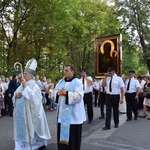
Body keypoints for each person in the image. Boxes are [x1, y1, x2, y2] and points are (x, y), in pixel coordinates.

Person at [12, 58, 51, 150]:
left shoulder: (35, 86)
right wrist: (16, 96)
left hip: (29, 114)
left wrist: (25, 86)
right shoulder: (20, 86)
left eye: (26, 74)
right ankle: (20, 146)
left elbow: (35, 100)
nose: (23, 75)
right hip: (20, 115)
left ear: (31, 75)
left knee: (32, 130)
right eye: (23, 73)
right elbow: (14, 97)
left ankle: (37, 145)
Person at [54, 64, 86, 150]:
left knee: (73, 142)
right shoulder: (61, 82)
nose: (64, 72)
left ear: (72, 71)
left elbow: (79, 97)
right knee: (62, 144)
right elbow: (54, 92)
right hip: (62, 116)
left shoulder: (77, 82)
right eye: (64, 70)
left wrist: (66, 93)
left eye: (67, 70)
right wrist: (57, 93)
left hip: (73, 117)